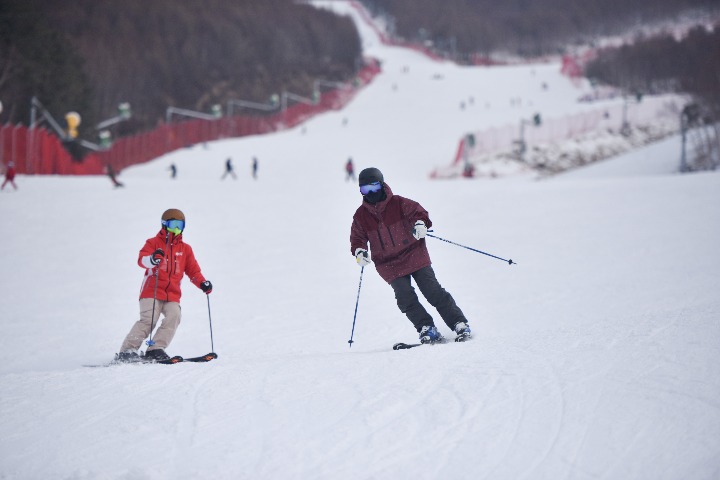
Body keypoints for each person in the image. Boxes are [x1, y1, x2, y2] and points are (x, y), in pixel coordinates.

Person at [349, 167, 471, 344]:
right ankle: (426, 327)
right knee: (405, 298)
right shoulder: (361, 216)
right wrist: (359, 251)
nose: (370, 193)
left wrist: (420, 224)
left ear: (381, 185)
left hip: (414, 254)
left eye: (374, 188)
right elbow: (357, 238)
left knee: (432, 291)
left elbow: (418, 213)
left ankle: (459, 323)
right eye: (365, 190)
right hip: (388, 264)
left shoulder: (399, 203)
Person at [116, 208, 212, 363]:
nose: (175, 229)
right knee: (149, 320)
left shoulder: (185, 249)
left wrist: (202, 283)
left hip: (172, 294)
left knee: (174, 316)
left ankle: (156, 349)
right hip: (151, 292)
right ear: (164, 225)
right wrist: (153, 259)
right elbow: (142, 260)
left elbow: (193, 271)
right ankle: (127, 350)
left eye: (179, 226)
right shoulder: (153, 243)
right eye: (172, 225)